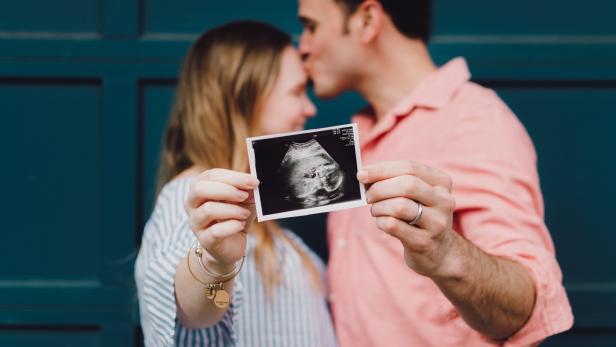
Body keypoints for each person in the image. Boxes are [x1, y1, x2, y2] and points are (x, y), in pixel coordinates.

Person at [297, 0, 573, 346]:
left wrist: (443, 253)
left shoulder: (473, 120)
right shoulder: (355, 135)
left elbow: (522, 310)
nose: (302, 48)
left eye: (311, 27)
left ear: (367, 19)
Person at [135, 20, 337, 346]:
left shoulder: (267, 223)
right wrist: (216, 262)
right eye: (297, 91)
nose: (309, 108)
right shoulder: (193, 200)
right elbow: (194, 311)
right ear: (245, 96)